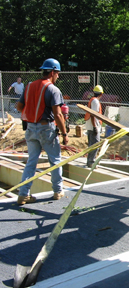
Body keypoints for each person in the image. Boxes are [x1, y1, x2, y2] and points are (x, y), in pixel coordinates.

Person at [16, 58, 69, 205]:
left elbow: (19, 106)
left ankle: (23, 194)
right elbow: (58, 115)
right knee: (55, 160)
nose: (58, 76)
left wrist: (32, 112)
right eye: (57, 73)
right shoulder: (53, 89)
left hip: (31, 128)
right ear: (52, 72)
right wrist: (64, 134)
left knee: (31, 162)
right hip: (46, 129)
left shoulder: (29, 86)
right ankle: (58, 191)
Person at [84, 85, 104, 168]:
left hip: (93, 126)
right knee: (95, 145)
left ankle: (91, 160)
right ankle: (91, 162)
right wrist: (95, 127)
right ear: (101, 94)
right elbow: (93, 115)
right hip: (93, 127)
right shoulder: (95, 101)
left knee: (92, 145)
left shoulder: (93, 100)